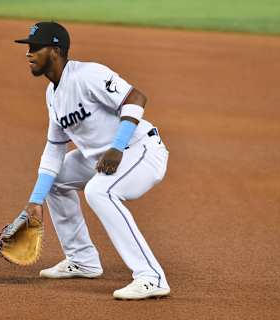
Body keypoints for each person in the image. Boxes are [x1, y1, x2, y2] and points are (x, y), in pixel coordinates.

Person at [14, 21, 170, 300]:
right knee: (57, 180)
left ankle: (151, 276)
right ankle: (82, 259)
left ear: (55, 50)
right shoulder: (52, 94)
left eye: (35, 48)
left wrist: (117, 146)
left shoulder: (88, 74)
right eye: (28, 48)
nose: (28, 54)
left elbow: (136, 97)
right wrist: (35, 201)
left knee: (100, 191)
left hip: (141, 149)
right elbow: (54, 148)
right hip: (104, 159)